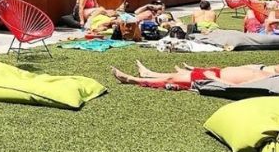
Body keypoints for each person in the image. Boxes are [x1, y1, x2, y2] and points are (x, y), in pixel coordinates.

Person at [112, 60, 279, 90]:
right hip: (213, 72)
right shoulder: (267, 71)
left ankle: (133, 79)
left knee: (172, 79)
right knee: (176, 75)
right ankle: (148, 73)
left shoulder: (265, 80)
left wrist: (214, 78)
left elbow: (235, 87)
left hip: (212, 78)